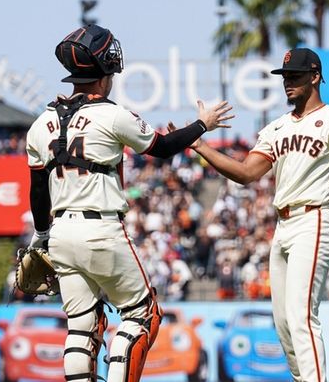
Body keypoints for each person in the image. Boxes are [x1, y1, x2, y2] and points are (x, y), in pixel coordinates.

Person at [25, 24, 233, 382]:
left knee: (80, 326)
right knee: (142, 314)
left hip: (59, 234)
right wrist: (203, 123)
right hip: (101, 228)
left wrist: (41, 235)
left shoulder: (40, 123)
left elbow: (38, 190)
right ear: (106, 69)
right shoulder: (112, 114)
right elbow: (163, 148)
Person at [190, 47, 329, 382]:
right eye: (285, 77)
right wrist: (202, 147)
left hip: (316, 220)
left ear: (315, 77)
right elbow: (245, 173)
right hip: (284, 225)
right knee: (284, 324)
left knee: (301, 316)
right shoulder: (276, 128)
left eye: (295, 76)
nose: (288, 83)